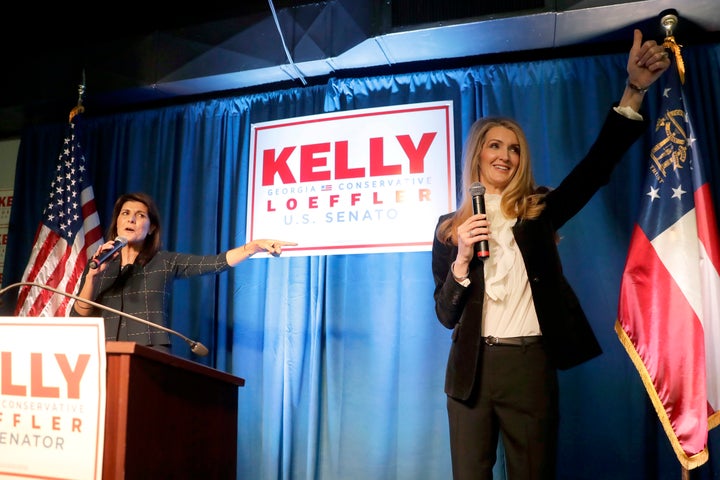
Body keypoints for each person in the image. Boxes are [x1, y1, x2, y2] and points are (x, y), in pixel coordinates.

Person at [431, 29, 670, 479]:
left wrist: (633, 90)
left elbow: (593, 171)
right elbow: (445, 316)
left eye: (515, 149)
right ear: (477, 155)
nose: (506, 156)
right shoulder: (449, 228)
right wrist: (462, 258)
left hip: (528, 367)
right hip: (470, 376)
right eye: (495, 146)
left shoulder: (538, 210)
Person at [71, 191, 296, 352]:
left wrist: (251, 247)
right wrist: (92, 277)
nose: (131, 218)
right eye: (125, 213)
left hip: (149, 351)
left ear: (152, 228)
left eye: (140, 215)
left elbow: (215, 263)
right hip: (102, 350)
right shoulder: (100, 263)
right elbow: (77, 315)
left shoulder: (164, 261)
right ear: (117, 221)